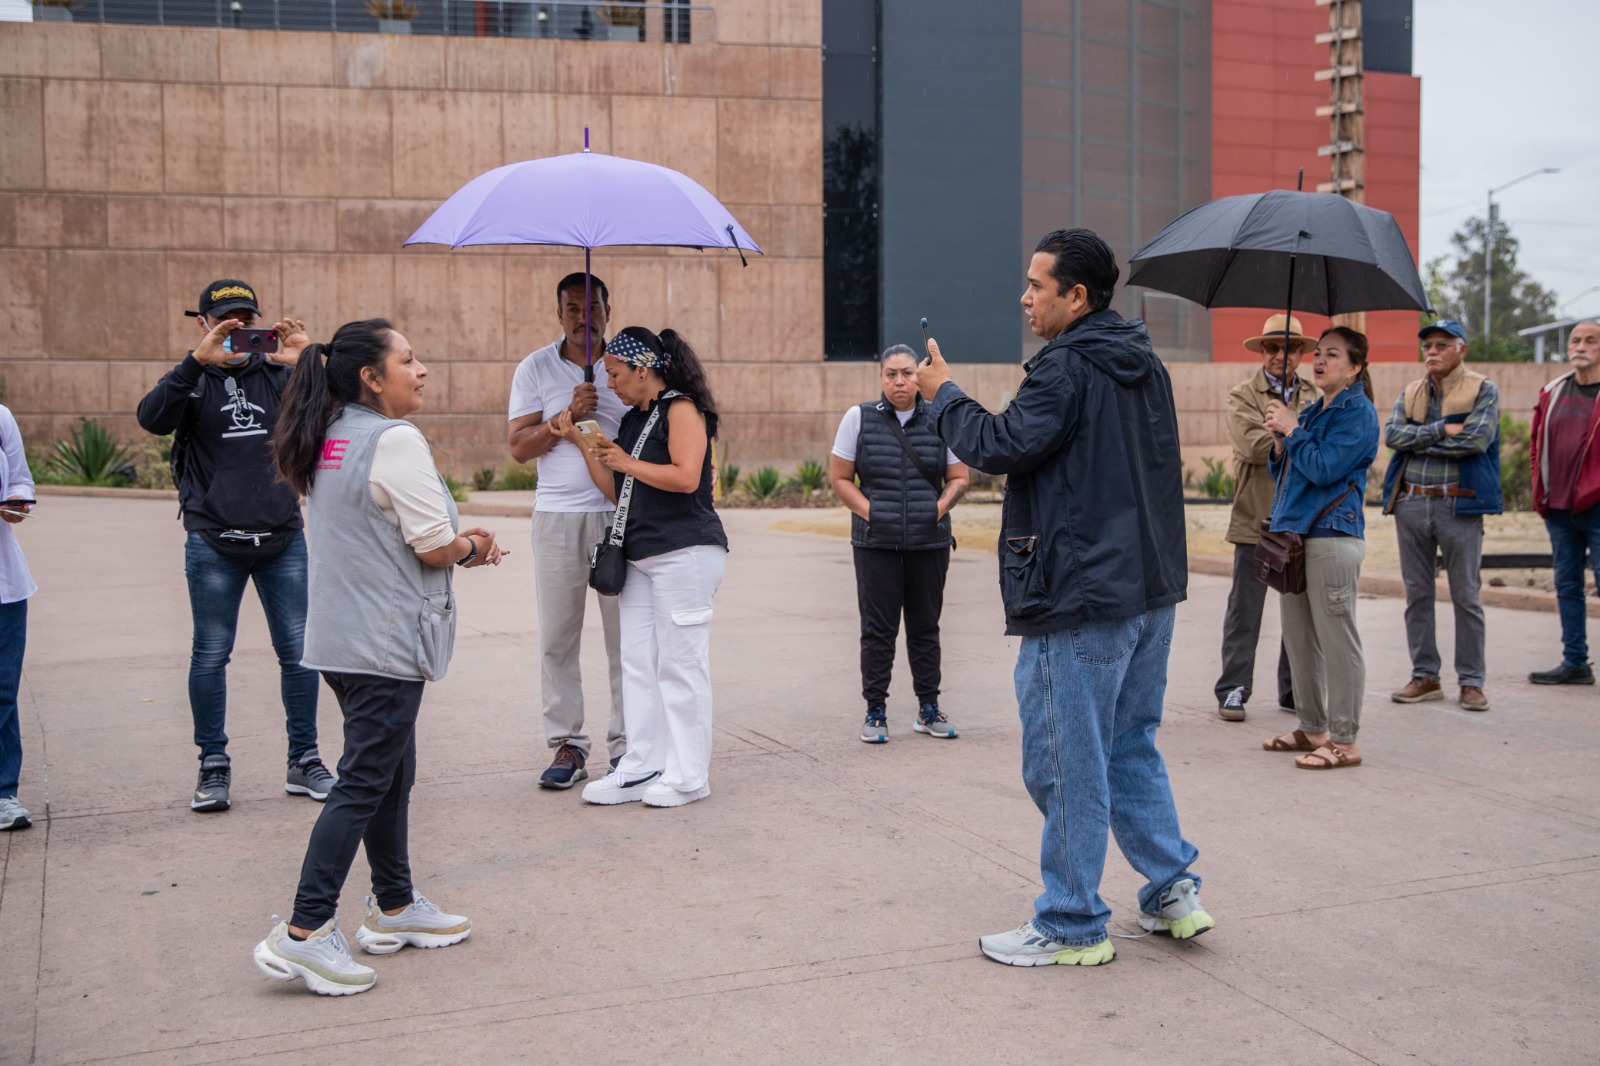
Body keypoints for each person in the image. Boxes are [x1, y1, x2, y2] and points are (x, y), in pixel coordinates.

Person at [916, 228, 1211, 968]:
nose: (1024, 298)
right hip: (1147, 589)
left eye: (1036, 285)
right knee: (1129, 744)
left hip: (1083, 596)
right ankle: (1171, 888)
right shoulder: (1142, 362)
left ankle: (1072, 921)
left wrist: (943, 395)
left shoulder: (1066, 367)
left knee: (1065, 760)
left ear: (1077, 296)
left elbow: (999, 444)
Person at [253, 318, 504, 996]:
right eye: (408, 360)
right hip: (384, 640)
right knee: (365, 781)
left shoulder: (329, 432)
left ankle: (394, 905)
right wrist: (475, 546)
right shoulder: (394, 439)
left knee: (390, 771)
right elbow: (433, 545)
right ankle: (305, 932)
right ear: (371, 377)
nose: (421, 371)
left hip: (340, 639)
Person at [136, 279, 332, 813]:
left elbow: (337, 417)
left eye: (245, 320)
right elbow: (151, 418)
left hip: (281, 537)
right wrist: (195, 363)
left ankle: (304, 760)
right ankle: (213, 765)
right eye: (225, 321)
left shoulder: (280, 375)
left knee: (298, 654)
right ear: (203, 324)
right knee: (210, 655)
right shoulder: (190, 380)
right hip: (213, 540)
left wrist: (308, 364)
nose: (237, 329)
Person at [549, 326, 728, 809]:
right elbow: (617, 490)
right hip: (640, 555)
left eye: (615, 373)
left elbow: (686, 477)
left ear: (642, 368)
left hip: (685, 552)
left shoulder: (682, 408)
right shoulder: (634, 420)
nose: (610, 384)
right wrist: (586, 444)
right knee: (637, 664)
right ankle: (642, 765)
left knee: (680, 666)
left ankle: (689, 776)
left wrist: (626, 461)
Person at [508, 273, 629, 790]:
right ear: (559, 314)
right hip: (557, 515)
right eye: (573, 309)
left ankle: (628, 744)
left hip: (619, 513)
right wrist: (567, 416)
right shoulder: (535, 368)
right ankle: (568, 743)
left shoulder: (626, 364)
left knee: (626, 638)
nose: (584, 317)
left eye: (593, 306)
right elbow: (518, 446)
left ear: (608, 310)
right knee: (558, 637)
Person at [829, 343, 969, 743]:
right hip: (876, 544)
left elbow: (959, 477)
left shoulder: (942, 418)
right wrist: (872, 513)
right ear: (882, 378)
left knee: (925, 628)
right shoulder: (858, 418)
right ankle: (875, 711)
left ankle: (928, 708)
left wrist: (936, 511)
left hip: (929, 543)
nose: (900, 381)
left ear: (918, 376)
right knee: (878, 630)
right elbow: (840, 478)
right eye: (891, 374)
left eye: (907, 373)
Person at [1261, 327, 1380, 771]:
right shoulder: (1312, 412)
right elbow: (1289, 475)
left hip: (1332, 536)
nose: (1319, 360)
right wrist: (1280, 441)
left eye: (1333, 354)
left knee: (1337, 641)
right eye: (1318, 353)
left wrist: (1293, 429)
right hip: (1295, 538)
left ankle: (1345, 740)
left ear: (1355, 367)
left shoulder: (1357, 413)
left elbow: (1326, 468)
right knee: (1299, 639)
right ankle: (1312, 728)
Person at [1380, 318, 1500, 712]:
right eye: (1428, 345)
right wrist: (1440, 430)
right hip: (1411, 503)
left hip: (1459, 504)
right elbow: (1392, 436)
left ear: (1462, 349)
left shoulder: (1483, 388)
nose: (1432, 351)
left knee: (1466, 595)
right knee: (1417, 594)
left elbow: (1475, 441)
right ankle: (1425, 676)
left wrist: (1418, 440)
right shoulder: (1411, 391)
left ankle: (1471, 682)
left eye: (1442, 345)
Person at [1215, 314, 1314, 722]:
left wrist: (1286, 431)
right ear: (1262, 351)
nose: (1280, 355)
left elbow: (1327, 449)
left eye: (1289, 347)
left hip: (1303, 520)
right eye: (1272, 347)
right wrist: (1299, 435)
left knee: (1299, 613)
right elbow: (1253, 446)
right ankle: (1233, 689)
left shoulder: (1315, 393)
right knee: (1246, 611)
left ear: (1301, 353)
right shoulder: (1242, 395)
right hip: (1255, 519)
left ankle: (1293, 691)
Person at [1527, 319, 1600, 685]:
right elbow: (1535, 442)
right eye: (1575, 340)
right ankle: (1575, 662)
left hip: (1597, 507)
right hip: (1558, 508)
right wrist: (1539, 489)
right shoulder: (1552, 391)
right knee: (1567, 586)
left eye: (1590, 341)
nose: (1580, 346)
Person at [0, 406, 36, 832]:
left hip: (5, 585)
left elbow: (20, 480)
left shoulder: (1, 418)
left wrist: (17, 503)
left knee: (3, 690)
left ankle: (4, 793)